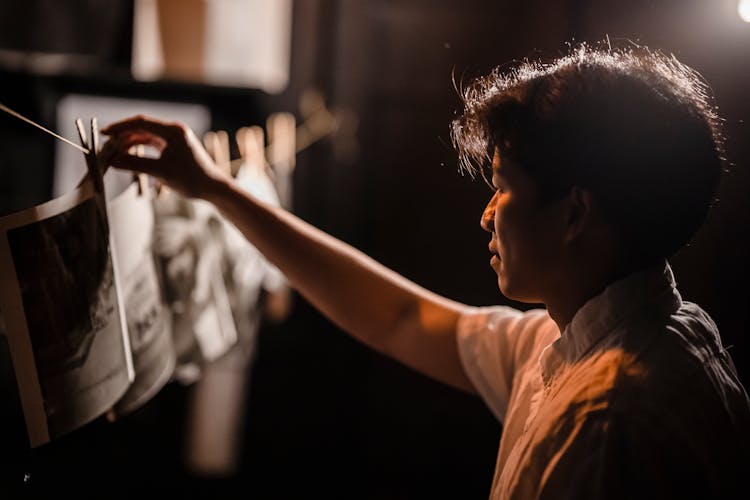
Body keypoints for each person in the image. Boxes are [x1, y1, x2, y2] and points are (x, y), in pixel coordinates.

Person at [99, 44, 750, 499]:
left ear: (575, 212)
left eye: (501, 188)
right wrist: (218, 189)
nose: (486, 216)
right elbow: (400, 318)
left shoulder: (607, 421)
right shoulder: (602, 339)